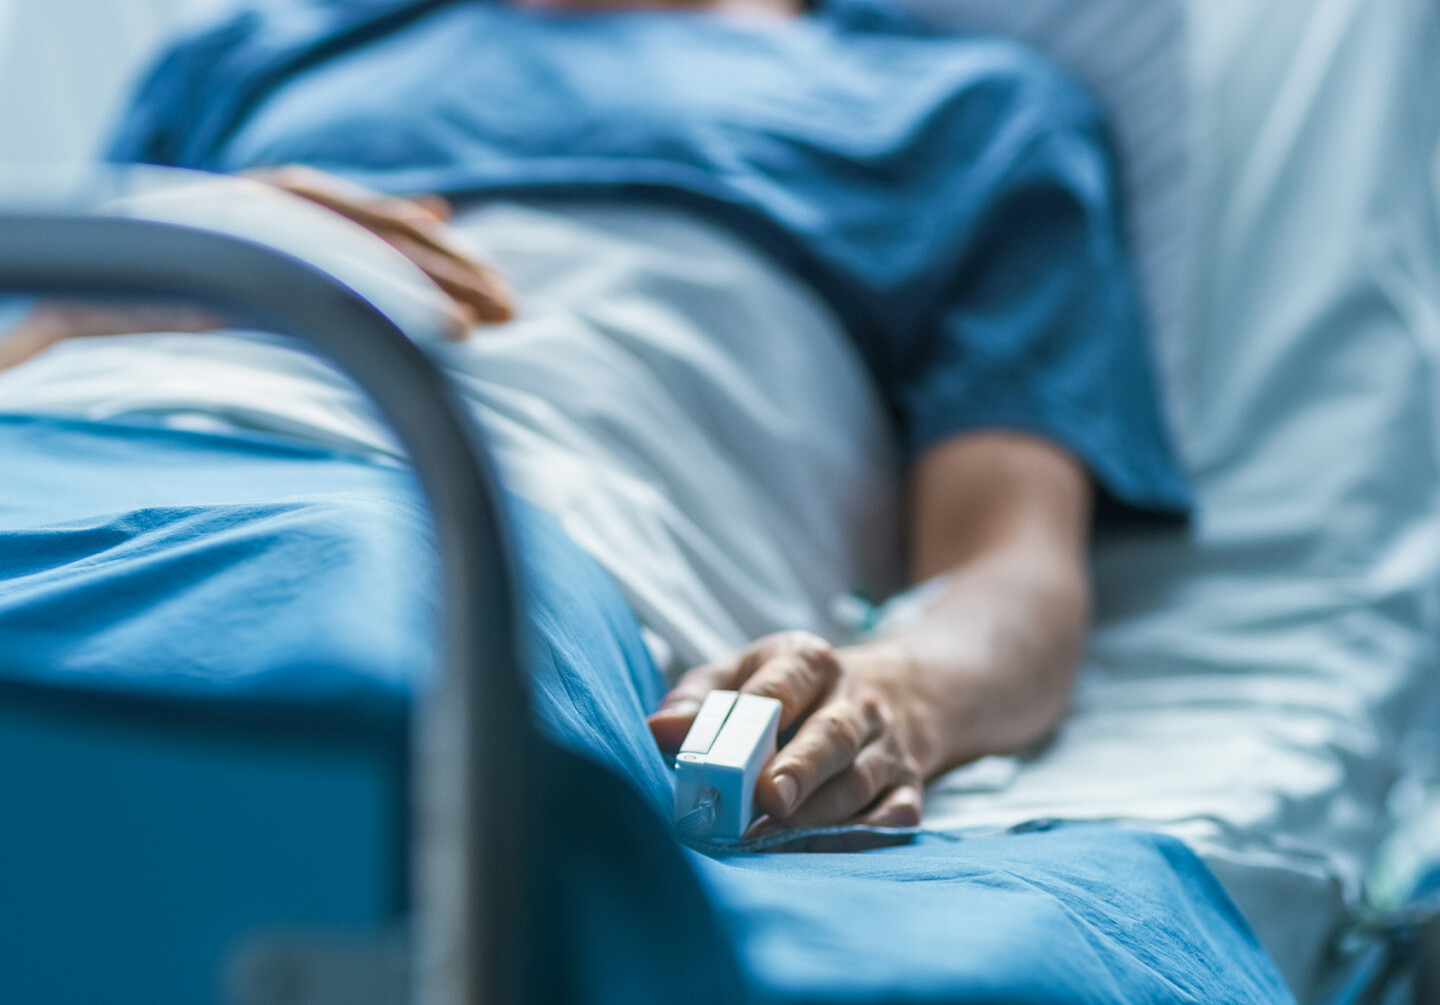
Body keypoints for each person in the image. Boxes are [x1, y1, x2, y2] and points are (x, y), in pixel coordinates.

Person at [1, 0, 1190, 841]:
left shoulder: (970, 115)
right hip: (57, 455)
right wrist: (111, 289)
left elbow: (1011, 571)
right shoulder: (253, 53)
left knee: (313, 736)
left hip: (459, 524)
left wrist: (897, 696)